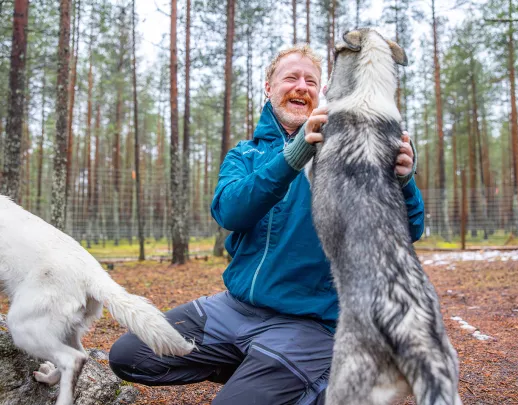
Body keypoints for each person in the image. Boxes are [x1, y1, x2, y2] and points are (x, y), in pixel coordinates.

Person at [109, 44, 424, 405]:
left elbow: (408, 231)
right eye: (290, 77)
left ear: (320, 94)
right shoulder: (245, 154)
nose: (301, 86)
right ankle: (264, 371)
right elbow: (230, 211)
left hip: (308, 321)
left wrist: (403, 181)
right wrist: (292, 158)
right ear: (268, 88)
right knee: (131, 355)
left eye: (311, 81)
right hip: (233, 309)